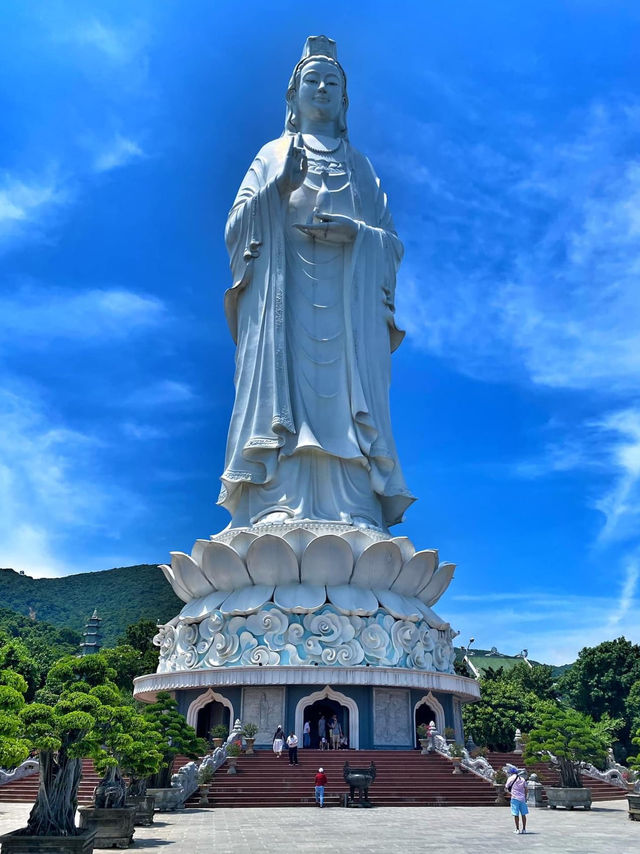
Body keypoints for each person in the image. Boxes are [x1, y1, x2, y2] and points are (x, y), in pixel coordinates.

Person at [219, 35, 415, 531]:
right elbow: (235, 227)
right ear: (293, 95)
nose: (322, 88)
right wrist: (275, 190)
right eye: (313, 80)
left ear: (344, 100)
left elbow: (390, 242)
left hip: (349, 309)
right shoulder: (271, 154)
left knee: (346, 406)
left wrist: (358, 236)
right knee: (282, 401)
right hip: (283, 300)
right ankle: (273, 505)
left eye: (333, 82)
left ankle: (355, 507)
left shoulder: (361, 168)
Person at [505, 765, 529, 834]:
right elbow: (526, 789)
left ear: (511, 773)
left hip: (515, 798)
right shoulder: (522, 779)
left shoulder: (510, 778)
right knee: (523, 814)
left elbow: (506, 786)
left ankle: (517, 829)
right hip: (522, 798)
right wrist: (525, 796)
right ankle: (524, 829)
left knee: (516, 814)